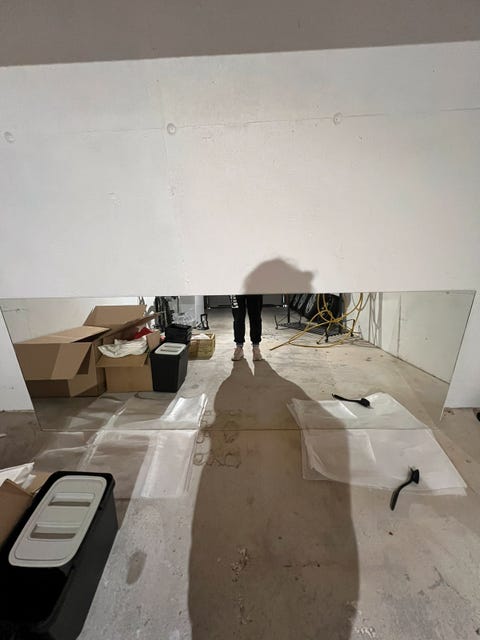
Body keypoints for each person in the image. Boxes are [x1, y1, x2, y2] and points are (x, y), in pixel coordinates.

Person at [230, 295, 263, 361]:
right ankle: (239, 347)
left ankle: (256, 347)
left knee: (255, 315)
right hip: (235, 289)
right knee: (238, 317)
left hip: (254, 289)